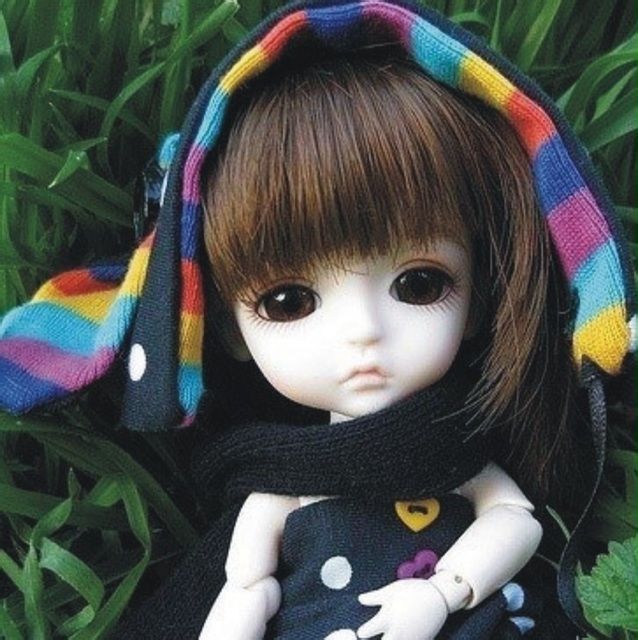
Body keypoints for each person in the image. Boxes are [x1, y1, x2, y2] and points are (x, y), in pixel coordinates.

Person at [0, 0, 633, 638]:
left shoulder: (464, 449)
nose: (363, 331)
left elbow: (516, 520)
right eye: (289, 303)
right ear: (229, 331)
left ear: (478, 303)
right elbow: (245, 588)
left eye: (419, 284)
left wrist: (443, 593)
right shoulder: (278, 482)